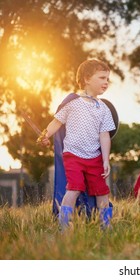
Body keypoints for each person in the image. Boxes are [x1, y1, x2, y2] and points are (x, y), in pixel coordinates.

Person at [38, 59, 116, 229]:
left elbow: (104, 136)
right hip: (73, 155)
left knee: (102, 192)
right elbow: (56, 122)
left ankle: (106, 226)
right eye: (102, 78)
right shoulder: (72, 103)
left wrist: (105, 160)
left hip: (94, 157)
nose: (106, 82)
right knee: (74, 189)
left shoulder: (103, 108)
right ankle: (64, 225)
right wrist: (46, 134)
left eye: (107, 79)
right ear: (87, 78)